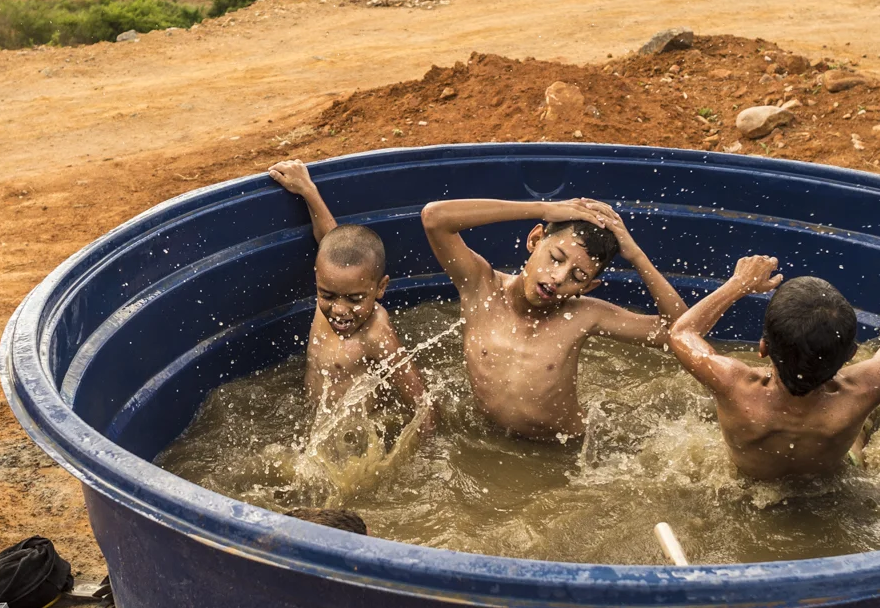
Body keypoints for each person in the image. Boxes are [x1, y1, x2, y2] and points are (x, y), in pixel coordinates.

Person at [668, 208, 880, 481]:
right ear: (851, 355)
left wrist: (738, 284)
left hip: (749, 486)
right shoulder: (862, 390)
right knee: (861, 431)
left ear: (762, 347)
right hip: (834, 482)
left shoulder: (734, 385)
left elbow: (682, 333)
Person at [418, 196, 688, 440]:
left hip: (563, 451)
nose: (558, 278)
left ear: (587, 288)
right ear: (536, 240)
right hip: (489, 438)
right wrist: (542, 208)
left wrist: (636, 255)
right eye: (556, 258)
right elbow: (435, 218)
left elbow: (681, 331)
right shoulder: (480, 287)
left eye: (578, 277)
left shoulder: (583, 315)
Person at [268, 160, 432, 430]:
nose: (340, 310)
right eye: (328, 295)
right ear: (318, 279)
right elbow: (331, 240)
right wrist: (308, 190)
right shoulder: (333, 286)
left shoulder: (376, 334)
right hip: (315, 422)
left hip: (354, 438)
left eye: (355, 299)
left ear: (381, 288)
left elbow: (422, 405)